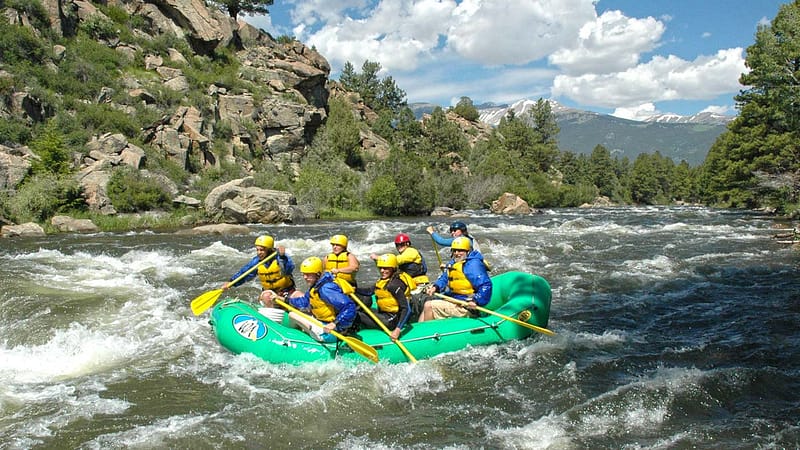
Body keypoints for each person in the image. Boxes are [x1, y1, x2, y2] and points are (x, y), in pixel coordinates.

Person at [262, 256, 358, 343]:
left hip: (330, 332)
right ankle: (297, 333)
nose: (305, 277)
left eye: (308, 274)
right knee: (296, 311)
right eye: (304, 274)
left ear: (318, 274)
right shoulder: (317, 285)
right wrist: (282, 299)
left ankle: (289, 337)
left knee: (292, 314)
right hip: (322, 323)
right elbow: (304, 302)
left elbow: (349, 307)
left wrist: (335, 324)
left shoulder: (326, 289)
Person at [418, 236, 492, 322]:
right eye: (454, 250)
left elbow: (486, 285)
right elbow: (444, 278)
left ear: (468, 251)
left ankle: (429, 333)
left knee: (429, 305)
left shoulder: (472, 265)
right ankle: (417, 334)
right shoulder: (454, 262)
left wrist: (476, 301)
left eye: (460, 250)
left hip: (466, 305)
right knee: (426, 308)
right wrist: (436, 287)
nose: (457, 253)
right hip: (455, 300)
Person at [221, 235, 301, 304]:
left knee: (300, 296)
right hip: (270, 293)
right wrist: (231, 282)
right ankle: (271, 319)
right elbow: (244, 274)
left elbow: (288, 270)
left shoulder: (280, 258)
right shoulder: (256, 262)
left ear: (269, 250)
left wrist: (282, 257)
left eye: (262, 250)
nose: (259, 252)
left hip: (287, 291)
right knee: (266, 296)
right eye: (257, 250)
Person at [355, 254, 414, 340]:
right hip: (383, 314)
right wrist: (354, 289)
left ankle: (349, 333)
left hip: (391, 320)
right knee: (358, 309)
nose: (382, 271)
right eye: (380, 268)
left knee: (356, 315)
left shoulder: (394, 285)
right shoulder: (383, 281)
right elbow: (369, 291)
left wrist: (397, 330)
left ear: (393, 268)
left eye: (385, 268)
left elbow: (406, 309)